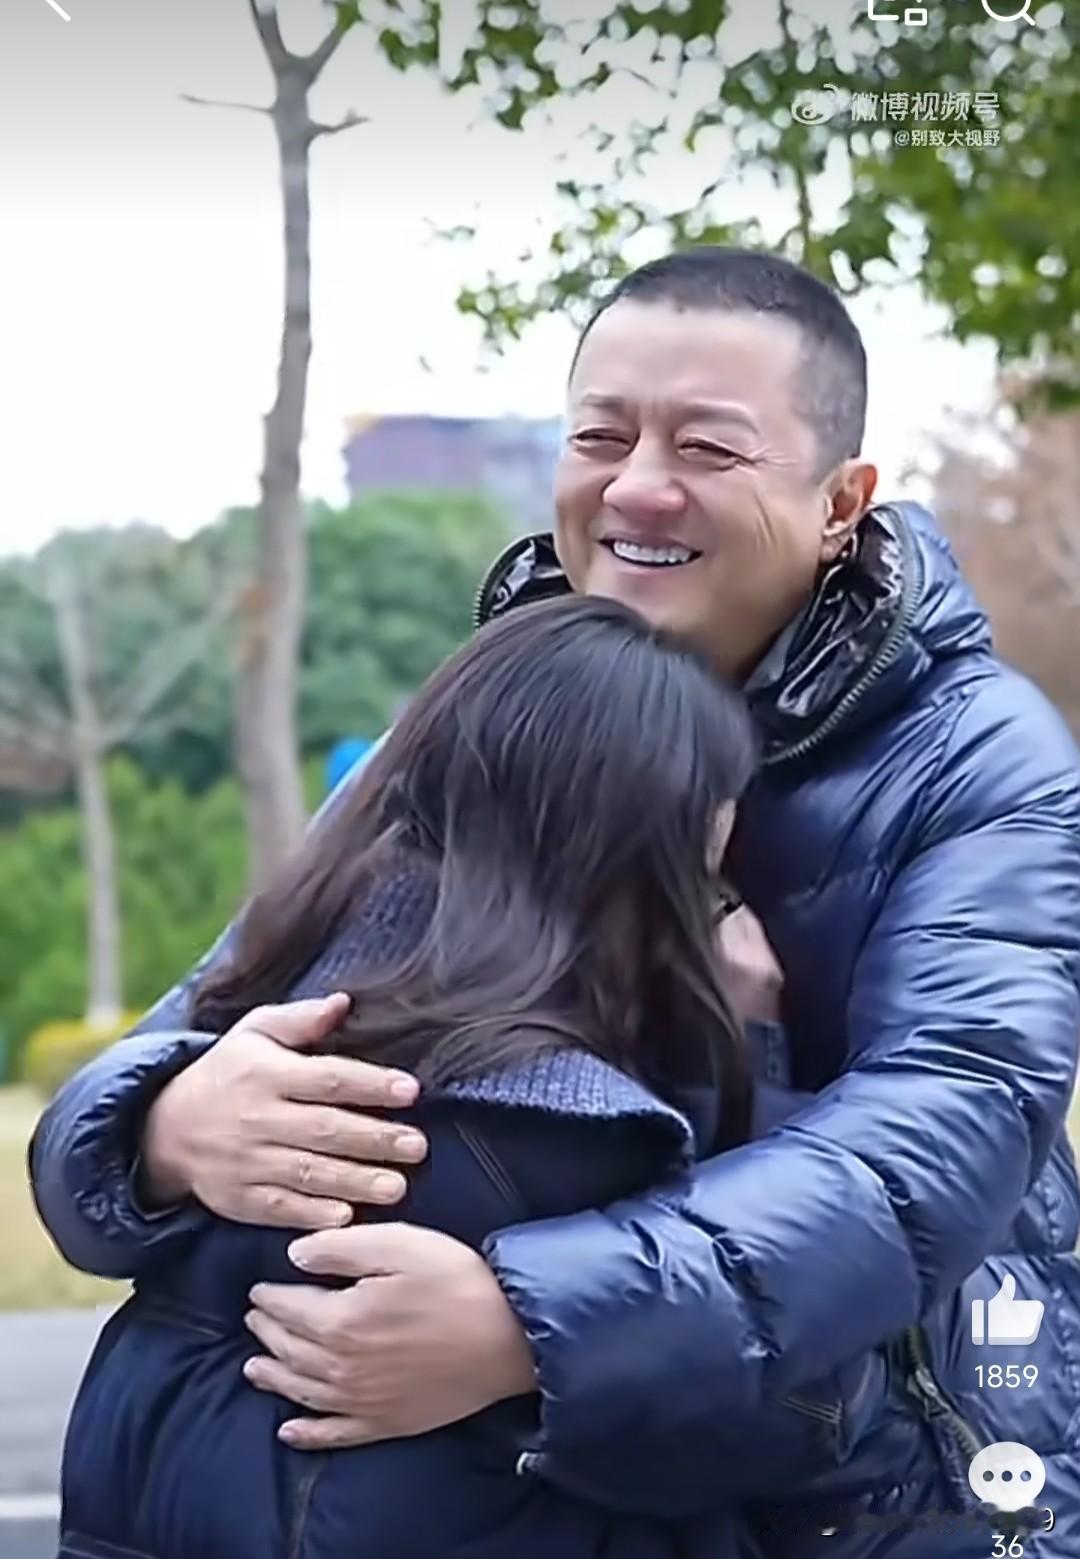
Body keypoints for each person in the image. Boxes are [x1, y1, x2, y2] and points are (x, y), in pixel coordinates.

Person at [33, 249, 1080, 1554]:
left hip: (880, 1493)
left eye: (708, 446)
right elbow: (207, 1008)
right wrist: (163, 1126)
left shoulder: (975, 757)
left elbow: (945, 1126)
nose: (638, 486)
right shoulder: (487, 704)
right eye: (601, 435)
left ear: (839, 502)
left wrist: (529, 1322)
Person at [59, 594, 827, 1559]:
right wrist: (755, 1054)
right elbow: (773, 1425)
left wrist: (152, 1126)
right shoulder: (573, 1143)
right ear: (644, 835)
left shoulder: (261, 1047)